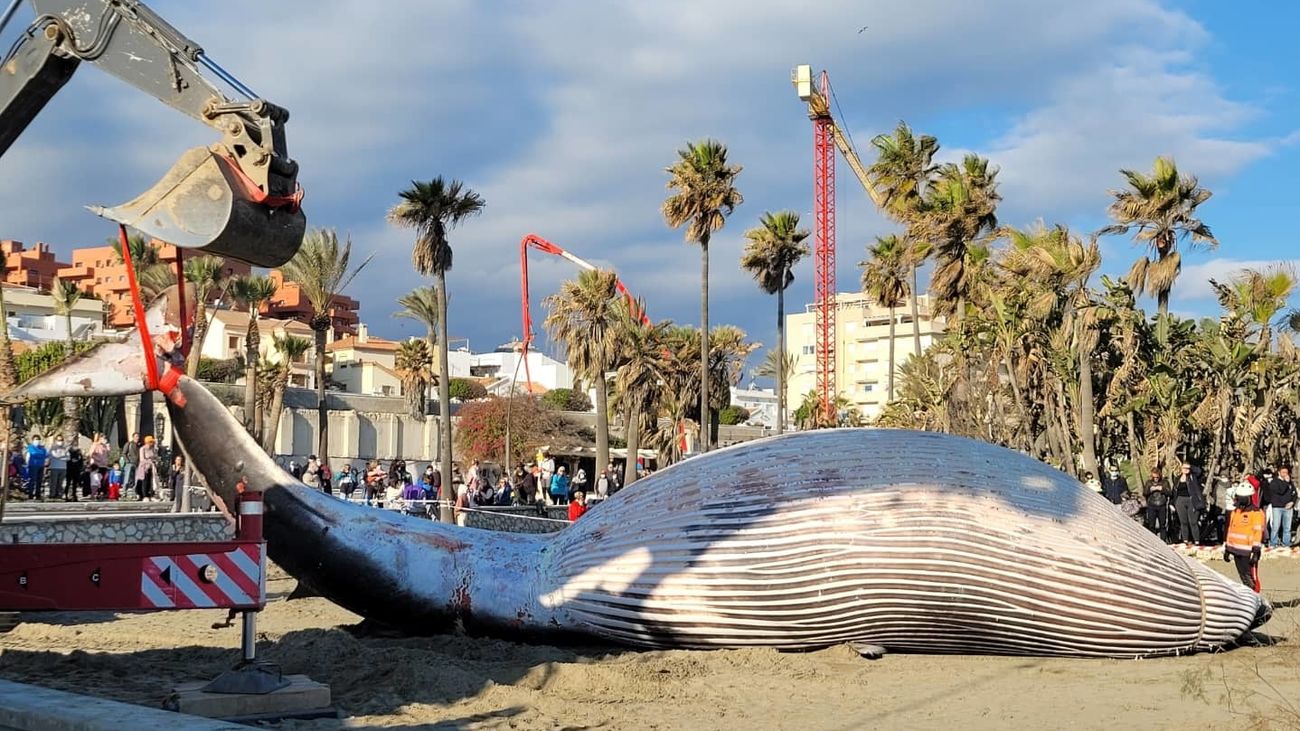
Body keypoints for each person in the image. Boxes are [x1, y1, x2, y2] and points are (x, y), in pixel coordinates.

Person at [1223, 485, 1266, 592]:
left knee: (1251, 578)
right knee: (1243, 577)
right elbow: (1231, 530)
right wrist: (1228, 549)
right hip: (1235, 550)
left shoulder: (1256, 513)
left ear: (1248, 497)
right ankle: (1250, 598)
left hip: (1249, 552)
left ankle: (1256, 599)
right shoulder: (1235, 512)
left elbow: (1258, 533)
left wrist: (1256, 552)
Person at [1173, 463, 1205, 545]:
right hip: (1180, 500)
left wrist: (1191, 466)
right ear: (1181, 468)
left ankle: (1197, 541)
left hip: (1191, 500)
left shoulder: (1193, 477)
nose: (1185, 469)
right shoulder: (1177, 478)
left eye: (1187, 468)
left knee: (1193, 522)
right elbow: (1174, 491)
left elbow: (1199, 471)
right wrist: (1173, 502)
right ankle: (1185, 540)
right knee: (1183, 522)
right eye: (1184, 468)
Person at [1266, 466, 1296, 548]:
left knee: (1287, 527)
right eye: (1283, 472)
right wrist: (1286, 482)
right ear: (1279, 473)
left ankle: (1286, 543)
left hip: (1288, 507)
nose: (1285, 474)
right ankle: (1273, 543)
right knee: (1276, 526)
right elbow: (1281, 491)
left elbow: (1294, 493)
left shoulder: (1290, 482)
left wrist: (1292, 502)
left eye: (1286, 472)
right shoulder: (1274, 482)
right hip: (1277, 507)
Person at [1145, 469, 1170, 542]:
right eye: (1154, 477)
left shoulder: (1165, 482)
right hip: (1151, 505)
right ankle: (1153, 541)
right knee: (1151, 525)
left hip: (1161, 505)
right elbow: (1145, 493)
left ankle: (1163, 540)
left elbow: (1169, 493)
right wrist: (1150, 490)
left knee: (1163, 525)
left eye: (1157, 477)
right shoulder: (1149, 482)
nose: (1155, 479)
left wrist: (1162, 489)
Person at [24, 435, 47, 499]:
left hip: (41, 466)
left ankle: (38, 494)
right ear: (33, 440)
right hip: (33, 466)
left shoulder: (43, 449)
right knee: (32, 480)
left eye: (38, 439)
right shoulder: (30, 447)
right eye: (35, 439)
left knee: (39, 481)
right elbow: (30, 455)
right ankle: (30, 494)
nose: (37, 441)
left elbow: (46, 456)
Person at [46, 435, 68, 501]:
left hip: (63, 468)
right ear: (56, 441)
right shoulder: (53, 448)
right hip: (54, 467)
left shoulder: (65, 448)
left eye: (61, 440)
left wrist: (61, 457)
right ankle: (52, 494)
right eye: (58, 440)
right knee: (54, 482)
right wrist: (63, 456)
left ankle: (59, 495)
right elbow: (54, 455)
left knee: (60, 483)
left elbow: (68, 457)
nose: (60, 441)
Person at [136, 435, 158, 501]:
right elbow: (142, 459)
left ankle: (150, 494)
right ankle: (144, 495)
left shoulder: (152, 449)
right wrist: (150, 461)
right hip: (144, 467)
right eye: (151, 442)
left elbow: (154, 457)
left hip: (151, 467)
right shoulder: (142, 449)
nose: (152, 444)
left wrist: (155, 461)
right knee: (144, 481)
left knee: (150, 481)